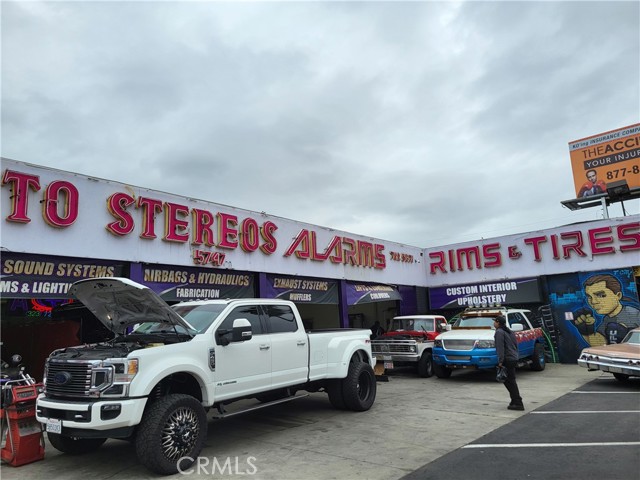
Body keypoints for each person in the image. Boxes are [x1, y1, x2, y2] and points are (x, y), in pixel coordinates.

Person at [573, 274, 640, 346]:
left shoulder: (633, 314)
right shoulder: (607, 319)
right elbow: (602, 343)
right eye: (589, 297)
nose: (593, 301)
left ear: (618, 295)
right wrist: (587, 331)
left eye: (601, 295)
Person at [494, 315, 524, 411]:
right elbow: (515, 345)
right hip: (513, 358)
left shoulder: (499, 332)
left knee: (509, 382)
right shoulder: (509, 331)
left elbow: (500, 348)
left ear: (498, 322)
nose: (493, 323)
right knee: (511, 380)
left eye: (495, 321)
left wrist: (500, 361)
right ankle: (514, 400)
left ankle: (517, 402)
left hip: (507, 359)